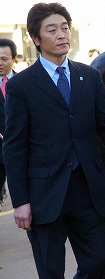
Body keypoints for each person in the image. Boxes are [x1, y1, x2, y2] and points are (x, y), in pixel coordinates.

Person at [3, 3, 105, 278]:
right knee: (51, 272)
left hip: (88, 191)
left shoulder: (89, 77)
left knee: (100, 262)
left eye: (65, 28)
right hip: (44, 196)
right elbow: (14, 147)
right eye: (52, 29)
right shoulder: (21, 86)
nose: (61, 34)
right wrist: (20, 201)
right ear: (35, 39)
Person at [0, 38, 17, 209]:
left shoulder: (26, 83)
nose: (0, 63)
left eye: (4, 59)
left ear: (14, 59)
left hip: (21, 147)